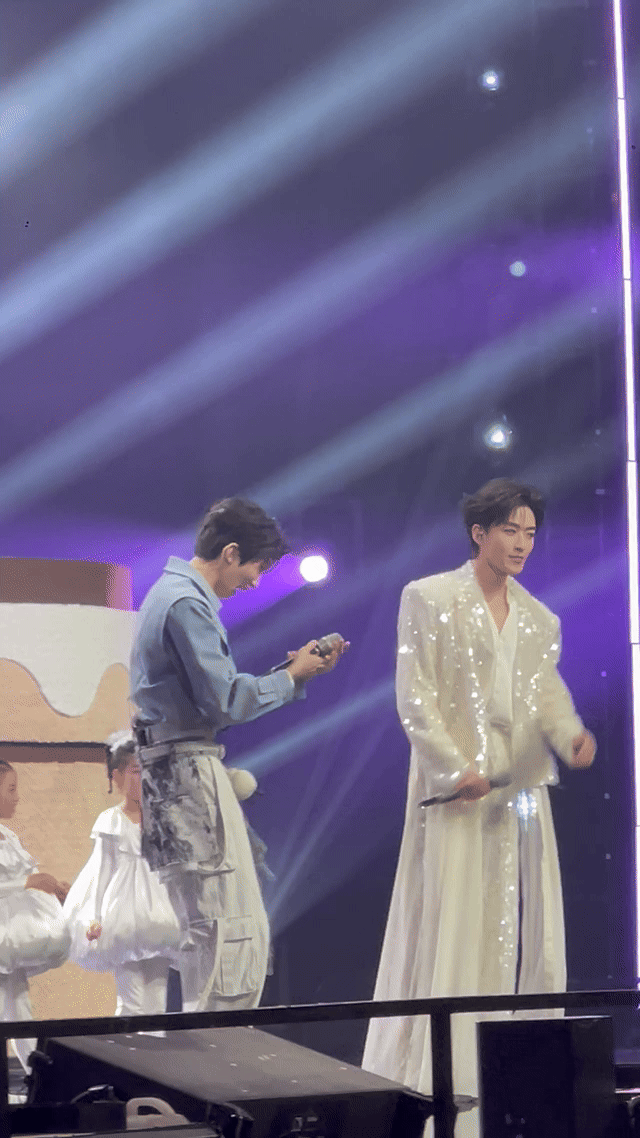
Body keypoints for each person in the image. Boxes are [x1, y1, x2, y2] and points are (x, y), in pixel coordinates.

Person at [362, 479, 595, 1135]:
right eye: (510, 530)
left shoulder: (539, 618)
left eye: (530, 533)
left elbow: (544, 691)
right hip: (456, 793)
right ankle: (443, 1094)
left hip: (518, 792)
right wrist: (452, 766)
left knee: (522, 931)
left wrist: (570, 735)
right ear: (479, 533)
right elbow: (414, 697)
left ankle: (518, 1097)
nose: (522, 544)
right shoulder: (429, 597)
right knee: (454, 928)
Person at [129, 497, 348, 1013]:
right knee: (226, 931)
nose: (254, 581)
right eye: (256, 567)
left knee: (212, 932)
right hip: (186, 774)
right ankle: (212, 1056)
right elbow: (225, 701)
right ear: (230, 553)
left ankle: (209, 1052)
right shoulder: (186, 603)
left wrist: (289, 674)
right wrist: (292, 676)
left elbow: (209, 698)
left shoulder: (170, 593)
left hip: (175, 771)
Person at [63, 732, 182, 1018]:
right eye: (135, 771)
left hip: (159, 913)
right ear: (117, 776)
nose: (141, 778)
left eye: (145, 771)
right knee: (131, 1001)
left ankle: (154, 1047)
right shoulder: (111, 820)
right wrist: (94, 917)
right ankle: (126, 1045)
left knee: (157, 1002)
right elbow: (101, 870)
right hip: (124, 916)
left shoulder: (162, 818)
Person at [0, 760, 70, 1071]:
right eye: (11, 789)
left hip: (11, 937)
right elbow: (20, 881)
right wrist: (27, 883)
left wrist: (52, 888)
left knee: (19, 1006)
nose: (17, 797)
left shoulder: (8, 837)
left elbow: (28, 876)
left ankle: (34, 1076)